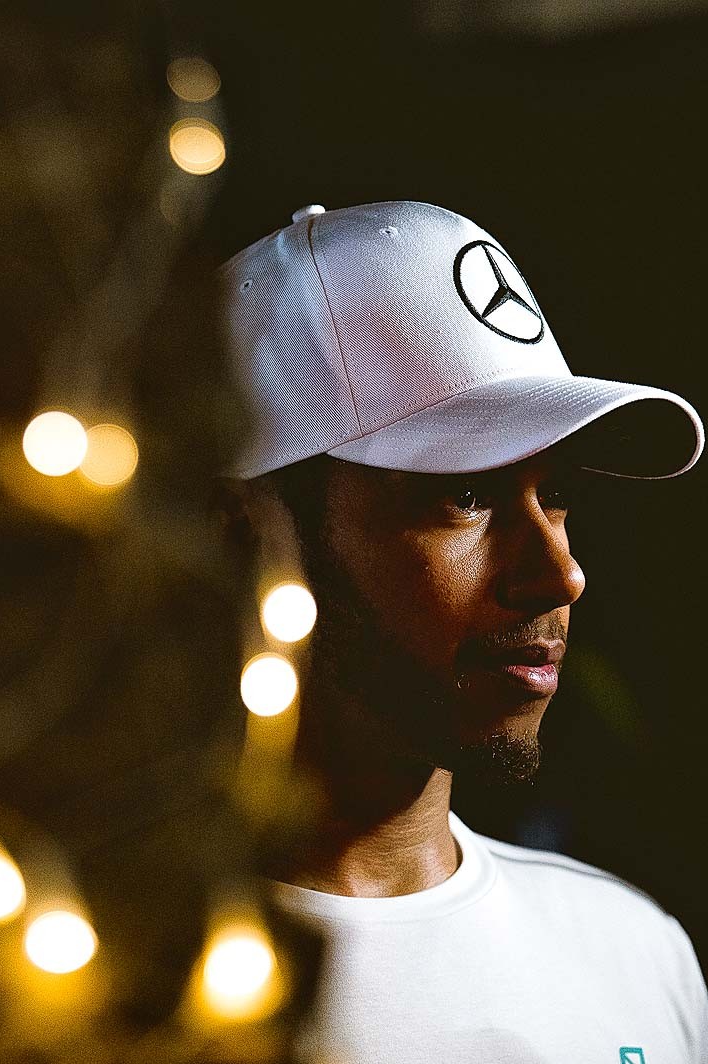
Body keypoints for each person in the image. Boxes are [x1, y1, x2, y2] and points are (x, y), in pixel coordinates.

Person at [215, 201, 707, 1062]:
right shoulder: (109, 994)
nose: (560, 574)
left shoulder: (632, 951)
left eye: (556, 494)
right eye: (466, 495)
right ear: (254, 534)